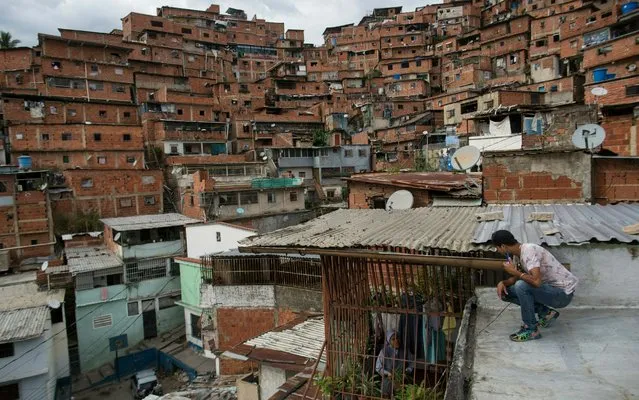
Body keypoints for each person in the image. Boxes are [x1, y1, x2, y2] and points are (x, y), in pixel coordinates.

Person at [492, 230, 578, 342]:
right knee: (506, 292)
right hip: (549, 291)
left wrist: (516, 272)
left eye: (497, 248)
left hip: (562, 294)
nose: (498, 251)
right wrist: (502, 283)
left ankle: (531, 330)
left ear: (503, 246)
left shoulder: (528, 250)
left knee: (521, 286)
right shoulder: (517, 256)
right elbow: (514, 279)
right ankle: (546, 313)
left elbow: (536, 282)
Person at [375, 330, 414, 398]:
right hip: (388, 379)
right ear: (389, 341)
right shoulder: (384, 352)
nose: (396, 340)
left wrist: (407, 371)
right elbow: (378, 367)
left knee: (402, 395)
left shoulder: (405, 350)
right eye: (393, 339)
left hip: (402, 378)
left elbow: (412, 363)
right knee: (386, 393)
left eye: (397, 338)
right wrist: (387, 373)